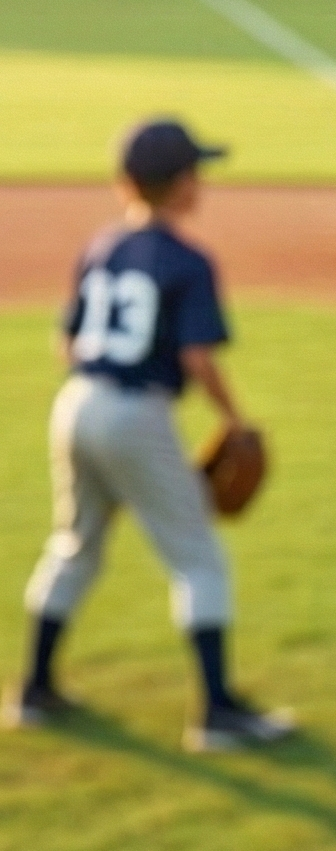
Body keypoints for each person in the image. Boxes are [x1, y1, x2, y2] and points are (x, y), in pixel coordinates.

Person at [5, 119, 296, 752]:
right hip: (136, 415)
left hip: (76, 403)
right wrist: (234, 420)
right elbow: (196, 357)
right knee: (198, 556)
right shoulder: (189, 260)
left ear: (125, 183)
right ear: (186, 184)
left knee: (74, 543)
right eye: (198, 173)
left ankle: (34, 689)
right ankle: (217, 713)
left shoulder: (101, 246)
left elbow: (67, 341)